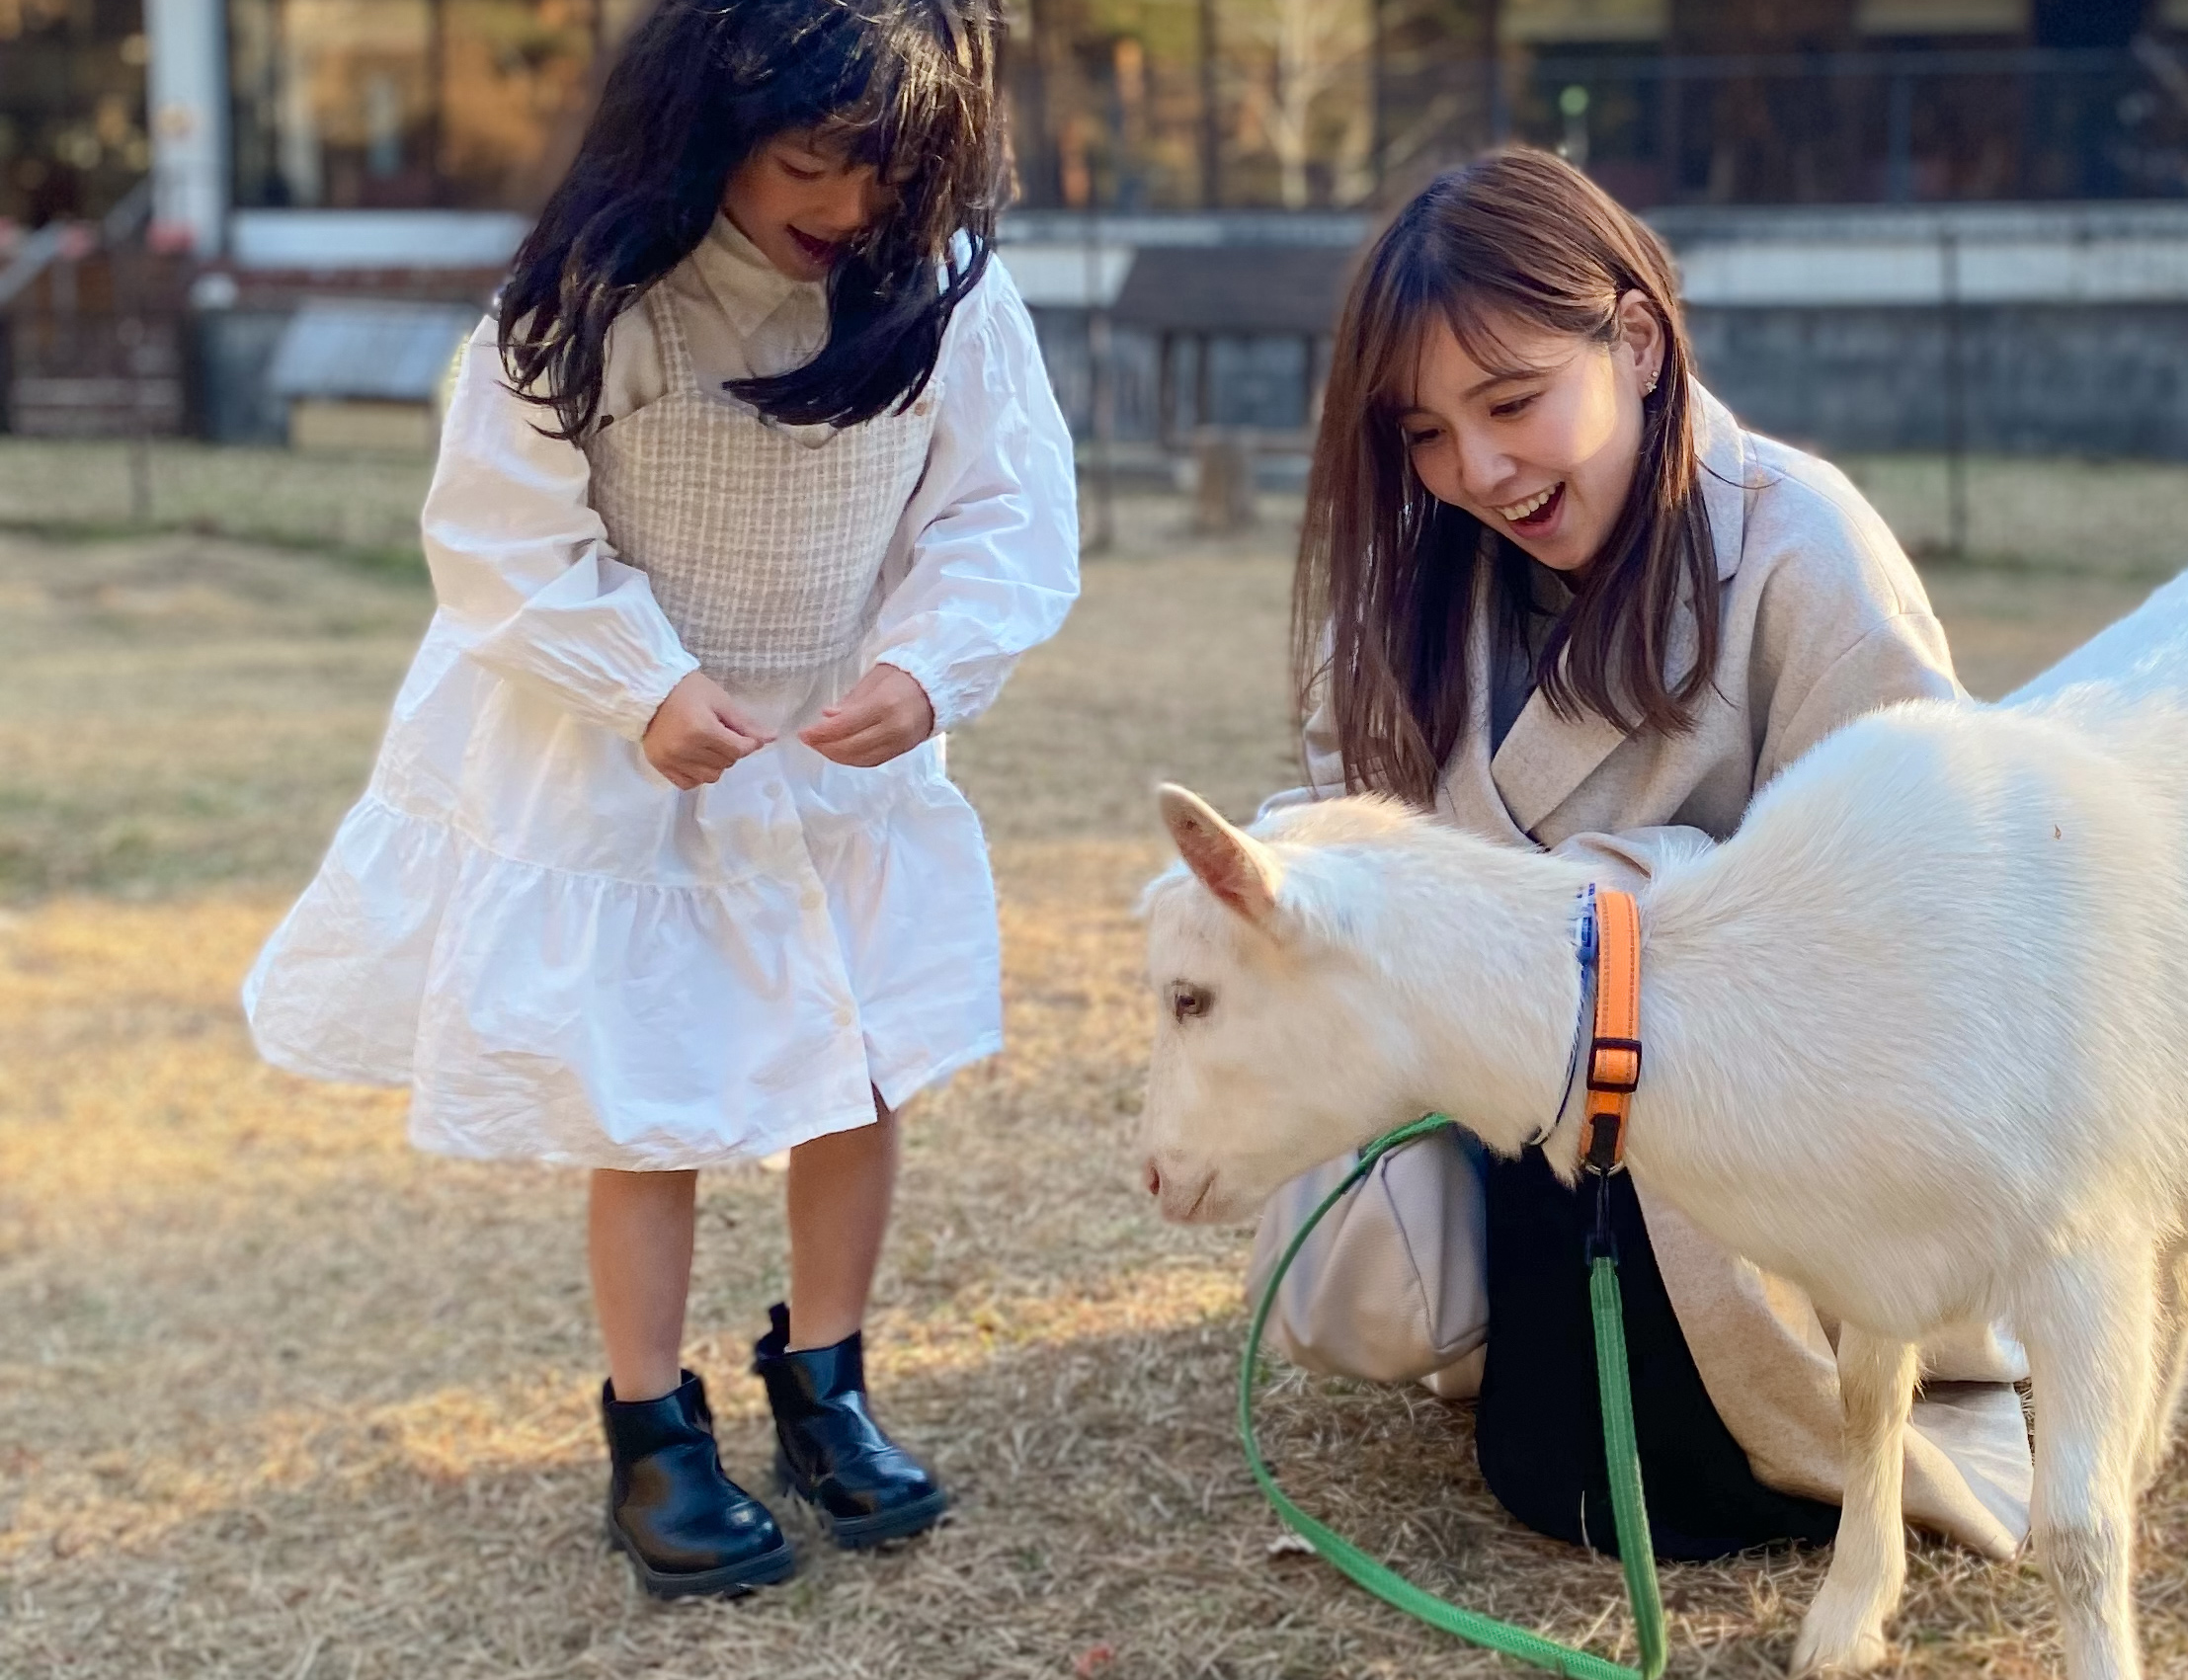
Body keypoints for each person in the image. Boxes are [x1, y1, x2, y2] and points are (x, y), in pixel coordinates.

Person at [241, 0, 1077, 1599]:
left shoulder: (950, 299)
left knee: (856, 1067)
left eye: (892, 172)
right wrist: (641, 684)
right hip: (633, 760)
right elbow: (503, 533)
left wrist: (933, 667)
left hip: (831, 750)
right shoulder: (591, 304)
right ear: (708, 128)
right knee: (651, 1095)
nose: (850, 209)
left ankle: (825, 1376)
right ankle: (651, 1422)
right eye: (812, 164)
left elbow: (1002, 510)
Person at [1252, 148, 2032, 1562]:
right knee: (1555, 1458)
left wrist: (1638, 899)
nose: (1477, 470)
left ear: (1637, 339)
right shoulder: (1411, 574)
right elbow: (1348, 817)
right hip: (1525, 1161)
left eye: (1512, 401)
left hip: (1759, 1165)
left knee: (1664, 1471)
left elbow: (1949, 898)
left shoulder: (1805, 550)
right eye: (1422, 432)